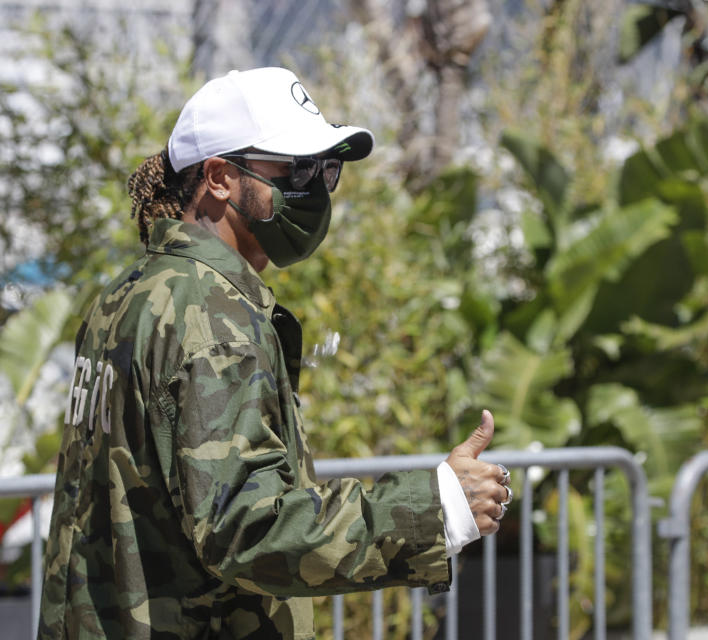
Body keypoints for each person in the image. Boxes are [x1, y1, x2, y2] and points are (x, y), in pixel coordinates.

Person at [38, 67, 513, 640]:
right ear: (218, 178)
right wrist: (438, 505)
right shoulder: (210, 316)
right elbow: (244, 526)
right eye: (296, 170)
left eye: (326, 171)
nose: (314, 189)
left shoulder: (127, 295)